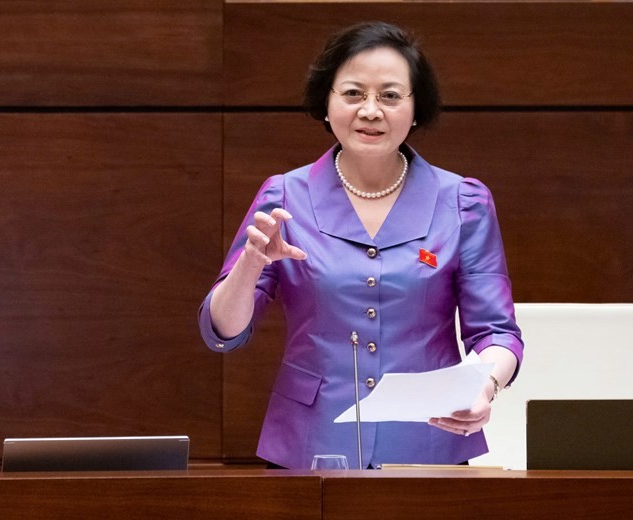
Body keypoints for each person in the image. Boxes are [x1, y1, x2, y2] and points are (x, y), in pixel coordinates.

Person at [198, 21, 523, 469]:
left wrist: (484, 385)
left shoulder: (463, 202)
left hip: (429, 440)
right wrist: (250, 264)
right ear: (327, 103)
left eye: (390, 96)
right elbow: (222, 332)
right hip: (308, 441)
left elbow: (496, 333)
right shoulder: (284, 197)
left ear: (416, 108)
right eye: (353, 93)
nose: (370, 111)